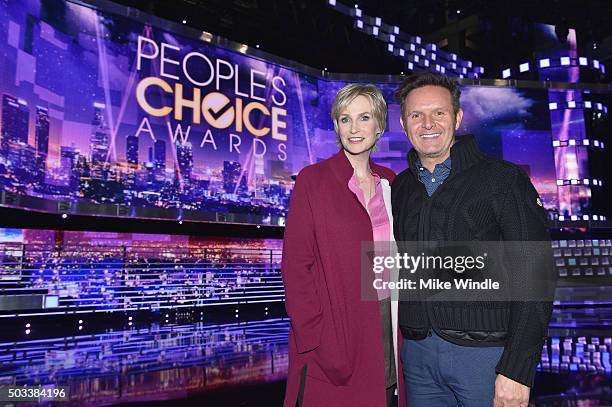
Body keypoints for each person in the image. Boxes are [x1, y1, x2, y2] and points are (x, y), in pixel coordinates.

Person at [391, 73, 555, 407]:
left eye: (438, 112)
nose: (427, 124)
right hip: (418, 357)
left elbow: (535, 276)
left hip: (486, 359)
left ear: (458, 117)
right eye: (416, 115)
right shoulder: (400, 189)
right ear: (404, 124)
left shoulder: (503, 179)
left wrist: (518, 369)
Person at [282, 83, 405, 407]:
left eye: (364, 118)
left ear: (378, 125)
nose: (353, 128)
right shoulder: (313, 180)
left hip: (387, 322)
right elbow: (296, 266)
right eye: (344, 119)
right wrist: (318, 339)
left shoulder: (391, 182)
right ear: (336, 125)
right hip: (336, 330)